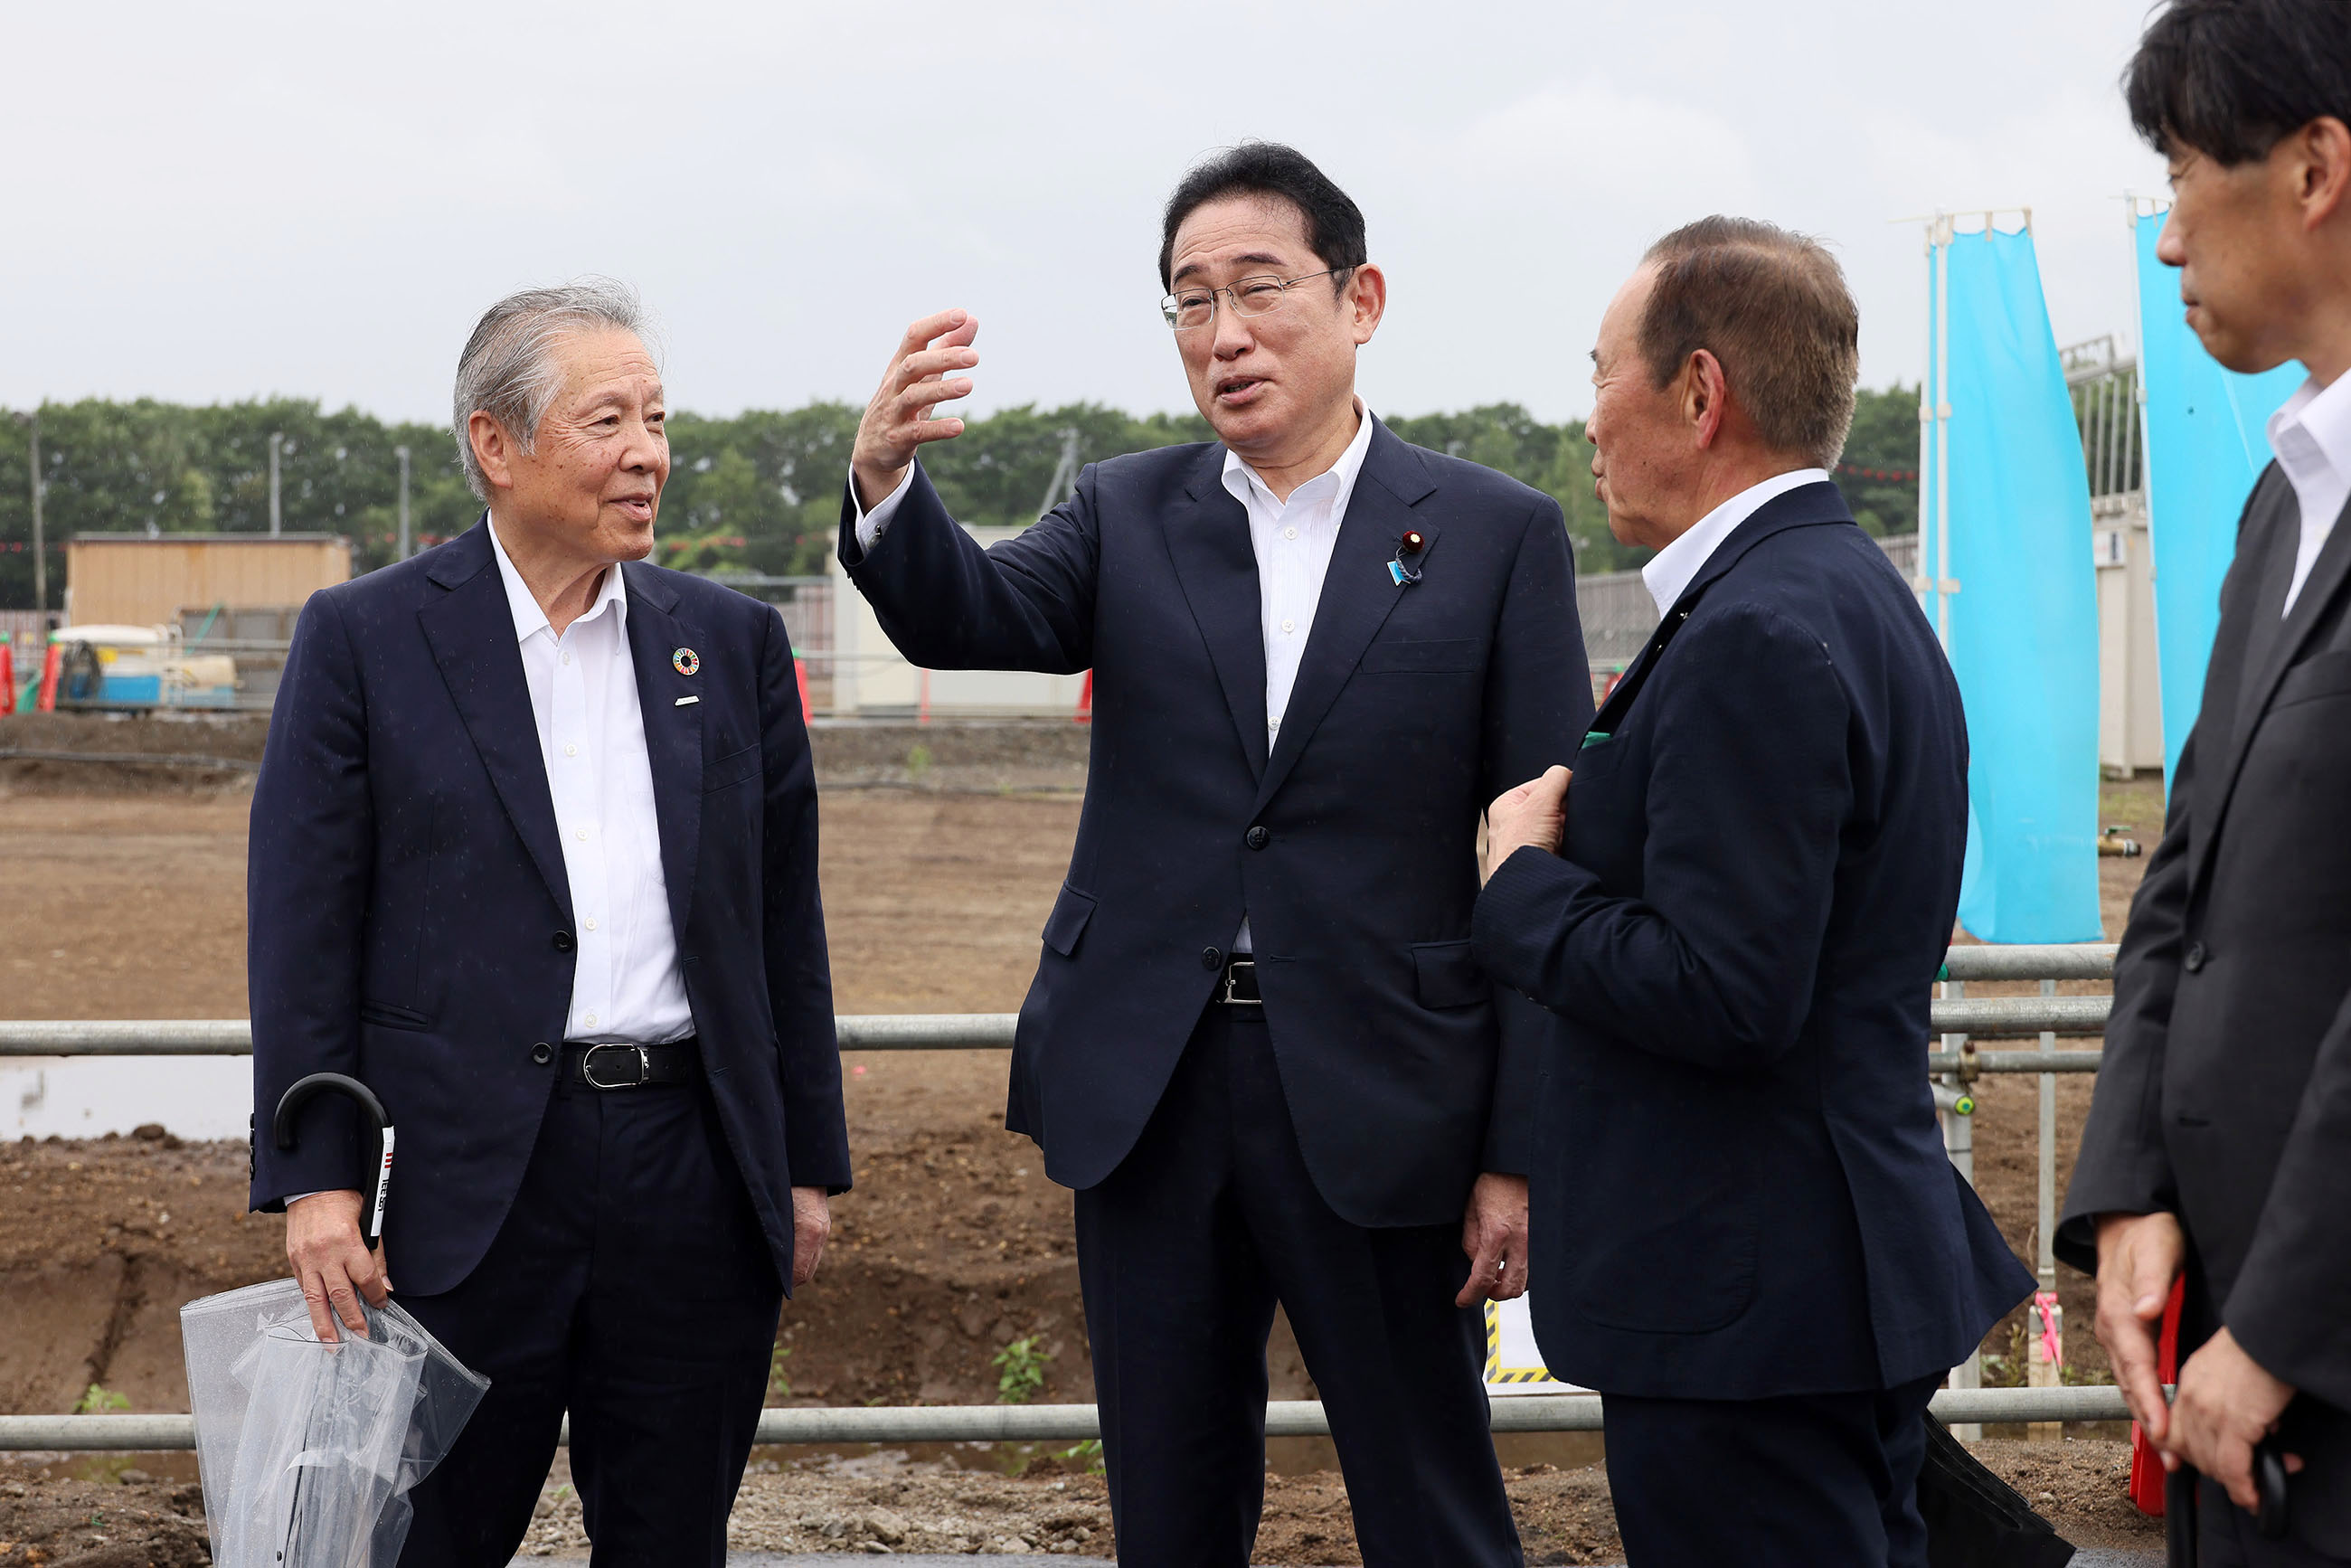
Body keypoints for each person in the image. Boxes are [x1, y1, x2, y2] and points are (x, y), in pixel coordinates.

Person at [838, 142, 1590, 1567]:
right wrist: (887, 487)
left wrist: (1520, 1153)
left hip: (1383, 1091)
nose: (1223, 333)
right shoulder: (1128, 512)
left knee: (1430, 1498)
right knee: (1168, 1509)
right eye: (1189, 300)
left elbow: (1538, 862)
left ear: (1361, 298)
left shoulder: (1496, 536)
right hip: (1152, 1086)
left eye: (1258, 290)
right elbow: (971, 615)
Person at [247, 280, 848, 1566]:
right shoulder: (366, 638)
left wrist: (801, 1160)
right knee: (427, 1541)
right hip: (460, 1192)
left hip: (691, 1172)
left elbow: (782, 926)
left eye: (658, 419)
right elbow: (305, 925)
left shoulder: (730, 643)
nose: (649, 454)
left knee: (672, 1537)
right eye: (609, 420)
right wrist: (316, 1176)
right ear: (496, 444)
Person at [1475, 219, 2033, 1567]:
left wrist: (1523, 885)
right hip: (1803, 1281)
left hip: (1747, 1304)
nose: (1588, 420)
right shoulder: (1844, 591)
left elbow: (1727, 990)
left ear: (1699, 392)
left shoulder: (1755, 631)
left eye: (1600, 373)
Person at [2057, 1, 2351, 1558]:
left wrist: (2287, 1325)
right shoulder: (2278, 506)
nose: (2168, 239)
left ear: (2315, 168)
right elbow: (2186, 883)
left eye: (2180, 173)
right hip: (2225, 1357)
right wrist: (2129, 1194)